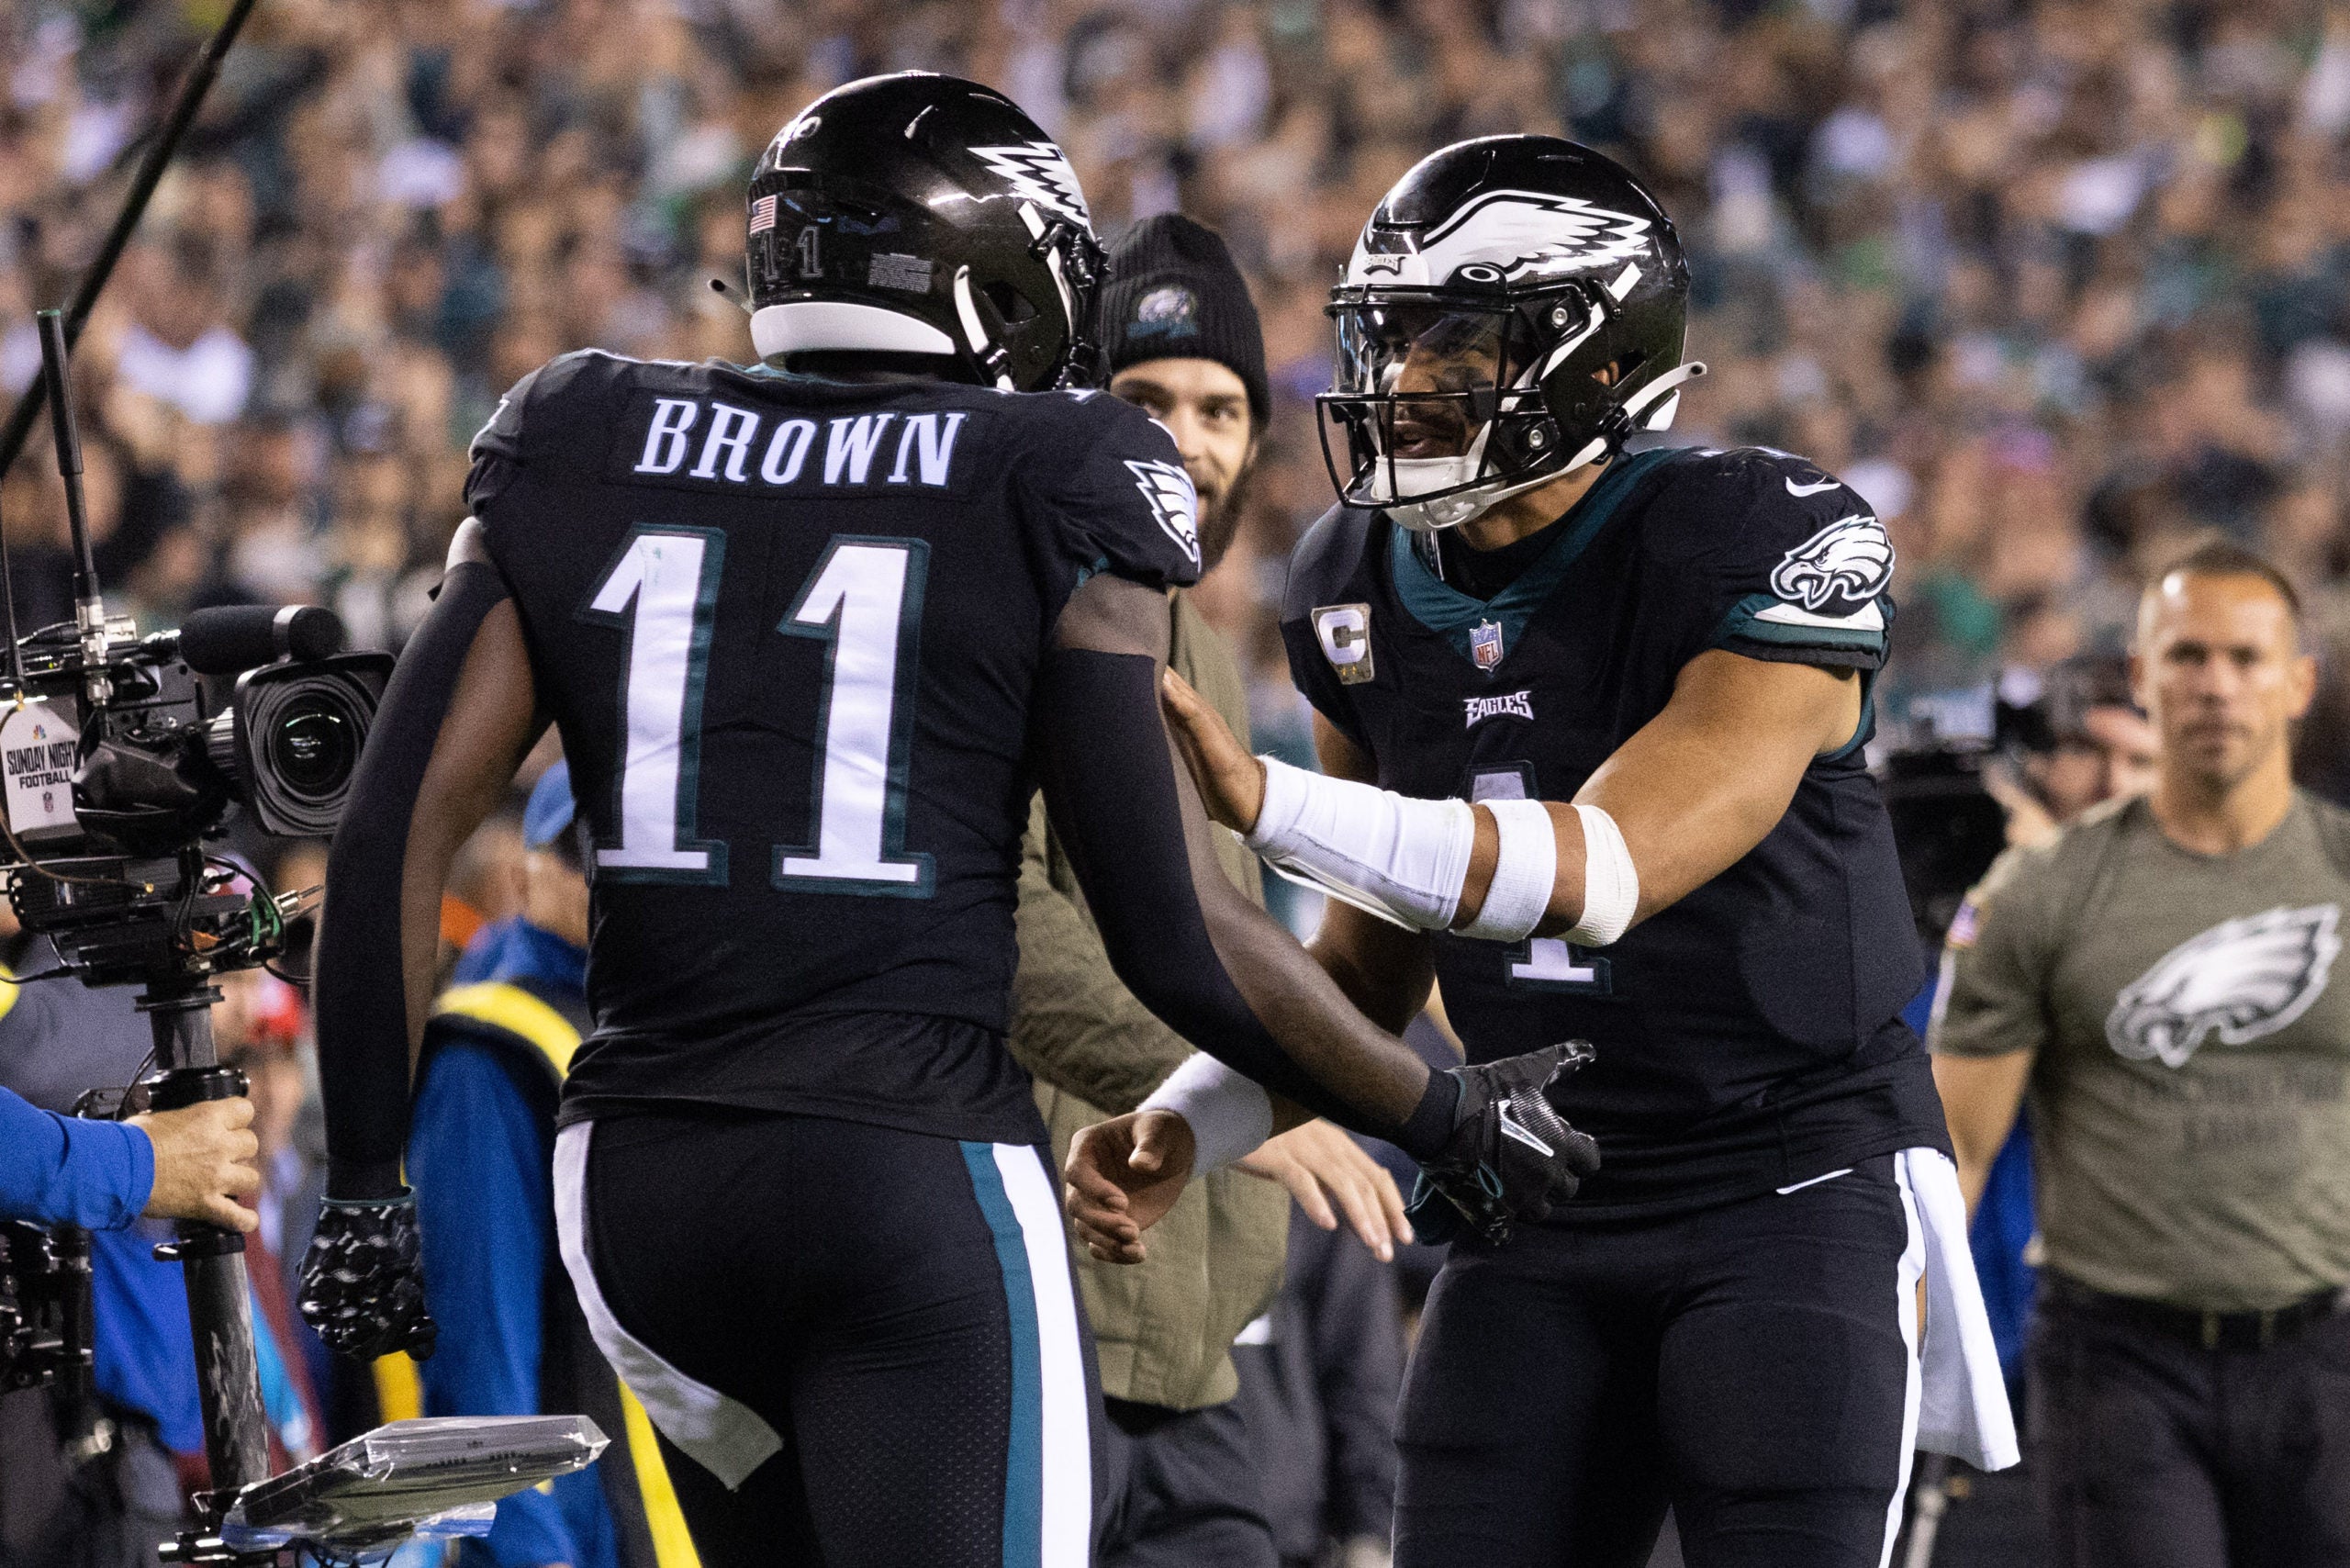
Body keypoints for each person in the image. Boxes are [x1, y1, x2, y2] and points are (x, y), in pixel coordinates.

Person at [295, 73, 1594, 1568]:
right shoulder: (1053, 468)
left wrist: (363, 1180)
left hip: (643, 1189)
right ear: (986, 279)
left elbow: (393, 830)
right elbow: (1172, 927)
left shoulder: (583, 430)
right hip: (903, 1180)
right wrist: (1436, 1111)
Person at [1068, 133, 2017, 1568]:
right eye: (1391, 340)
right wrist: (1192, 1121)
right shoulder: (1351, 574)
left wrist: (1264, 803)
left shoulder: (1761, 536)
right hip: (1540, 1183)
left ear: (1590, 356)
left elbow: (1602, 868)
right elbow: (1372, 964)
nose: (1403, 381)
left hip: (1788, 1182)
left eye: (1456, 344)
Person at [1011, 211, 1408, 1568]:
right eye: (1146, 401)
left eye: (1221, 407)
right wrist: (1238, 1088)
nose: (1188, 437)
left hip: (1204, 1366)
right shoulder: (1013, 614)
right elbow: (992, 922)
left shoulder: (1212, 658)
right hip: (1040, 1334)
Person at [1930, 542, 2350, 1568]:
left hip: (2326, 1349)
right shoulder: (2041, 892)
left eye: (2246, 659)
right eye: (2189, 655)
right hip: (2119, 1361)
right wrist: (1903, 1368)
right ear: (2145, 674)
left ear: (2296, 682)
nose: (2215, 684)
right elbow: (1955, 1155)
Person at [405, 762, 697, 1568]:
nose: (610, 881)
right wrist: (527, 1547)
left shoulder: (656, 1023)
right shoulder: (492, 1050)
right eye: (584, 854)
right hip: (590, 1525)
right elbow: (477, 1344)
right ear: (527, 871)